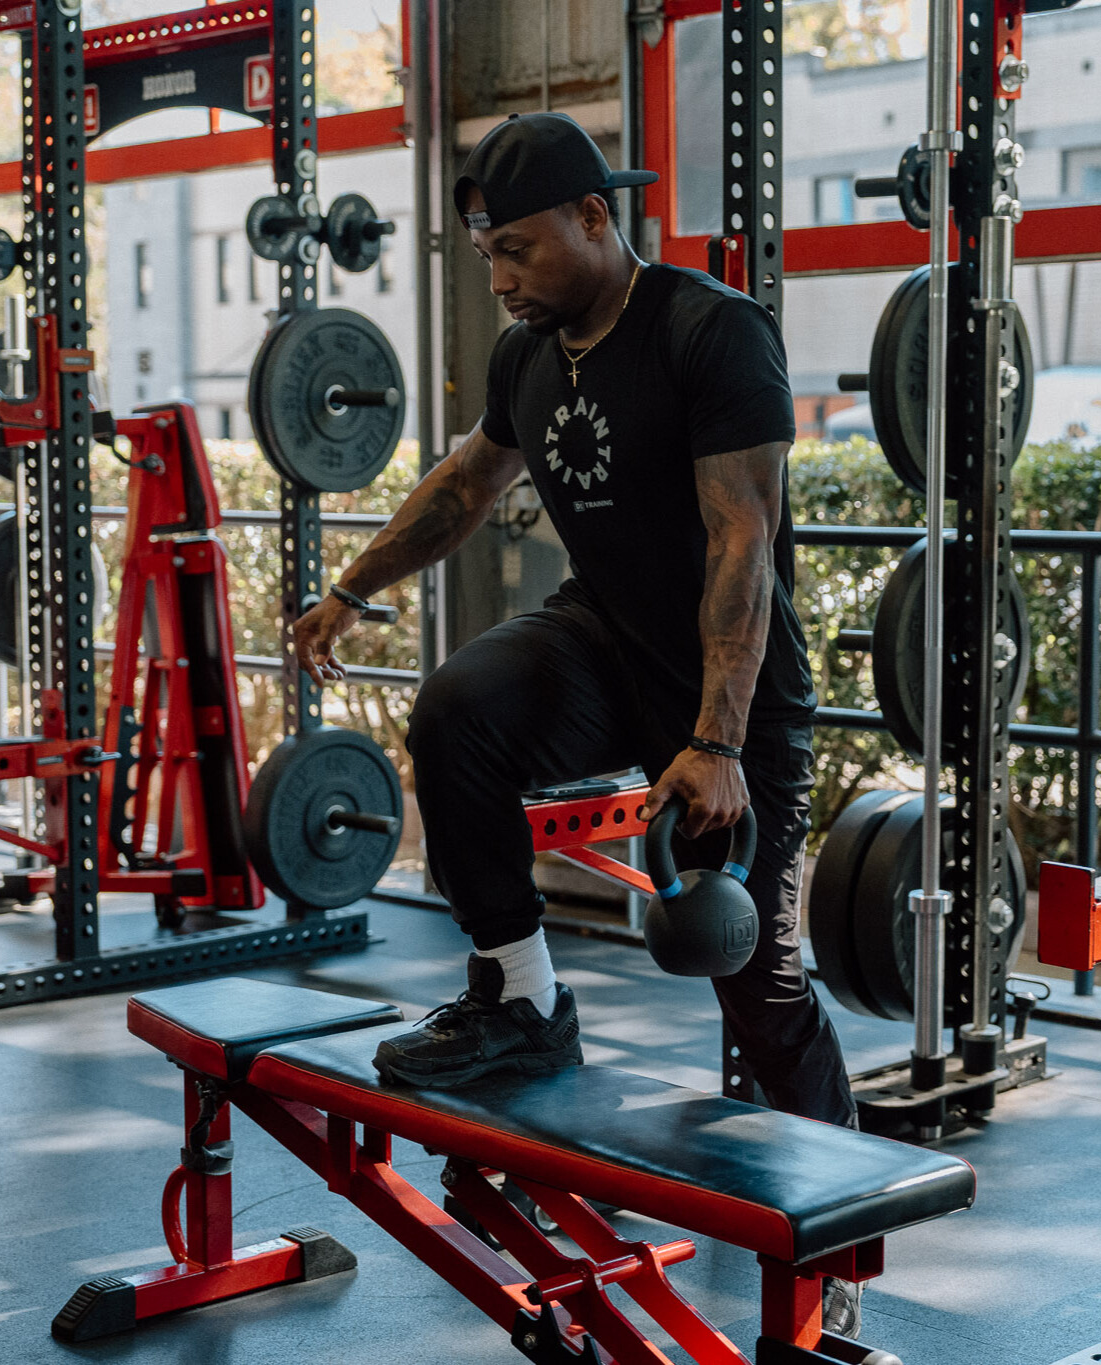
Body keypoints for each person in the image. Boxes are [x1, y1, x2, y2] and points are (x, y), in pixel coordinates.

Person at [292, 110, 862, 1336]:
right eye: (490, 257)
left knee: (754, 985)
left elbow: (742, 540)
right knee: (460, 712)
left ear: (598, 219)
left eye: (520, 253)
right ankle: (522, 999)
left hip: (733, 695)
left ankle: (844, 1248)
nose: (499, 281)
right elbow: (465, 484)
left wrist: (712, 742)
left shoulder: (713, 332)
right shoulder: (529, 355)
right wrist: (352, 587)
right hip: (603, 637)